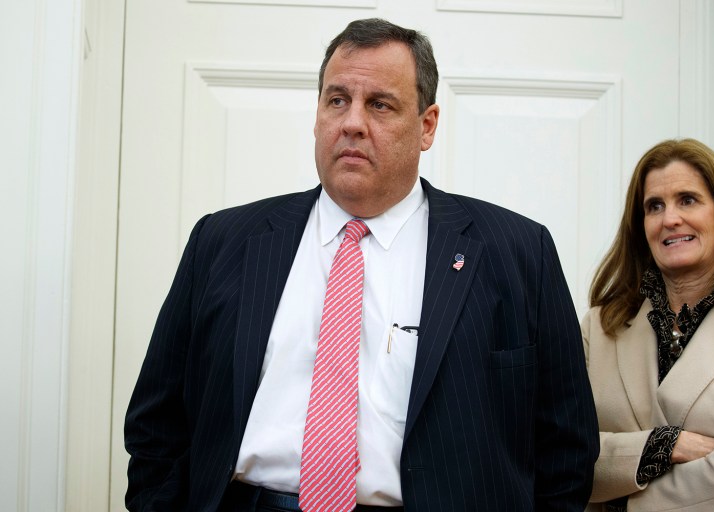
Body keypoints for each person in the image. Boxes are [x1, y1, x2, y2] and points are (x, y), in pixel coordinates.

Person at [125, 18, 598, 512]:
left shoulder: (517, 252)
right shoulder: (224, 242)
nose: (352, 122)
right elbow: (156, 424)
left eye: (380, 104)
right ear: (317, 116)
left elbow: (567, 448)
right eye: (337, 100)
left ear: (427, 126)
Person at [582, 138, 714, 511]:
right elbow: (561, 457)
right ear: (642, 226)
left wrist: (618, 500)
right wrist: (659, 446)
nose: (670, 219)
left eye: (688, 200)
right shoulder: (599, 326)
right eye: (655, 206)